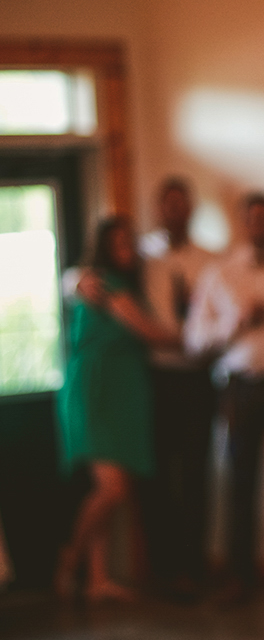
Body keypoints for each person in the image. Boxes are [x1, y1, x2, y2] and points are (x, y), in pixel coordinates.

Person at [184, 193, 264, 602]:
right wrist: (233, 322)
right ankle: (239, 576)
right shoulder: (219, 274)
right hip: (240, 388)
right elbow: (193, 340)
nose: (259, 225)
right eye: (252, 219)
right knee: (240, 483)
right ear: (244, 224)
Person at [55, 219, 177, 601]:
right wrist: (203, 337)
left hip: (119, 392)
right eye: (117, 242)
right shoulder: (103, 283)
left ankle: (97, 579)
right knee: (113, 489)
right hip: (98, 390)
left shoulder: (116, 283)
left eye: (129, 240)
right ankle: (70, 555)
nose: (126, 247)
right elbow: (149, 331)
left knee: (109, 485)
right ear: (104, 247)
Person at [139, 178, 218, 600]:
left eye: (181, 205)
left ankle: (194, 567)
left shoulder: (210, 259)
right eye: (167, 205)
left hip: (197, 377)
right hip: (154, 378)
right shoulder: (142, 256)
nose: (175, 212)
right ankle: (162, 569)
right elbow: (89, 276)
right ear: (158, 210)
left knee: (195, 473)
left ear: (189, 210)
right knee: (157, 476)